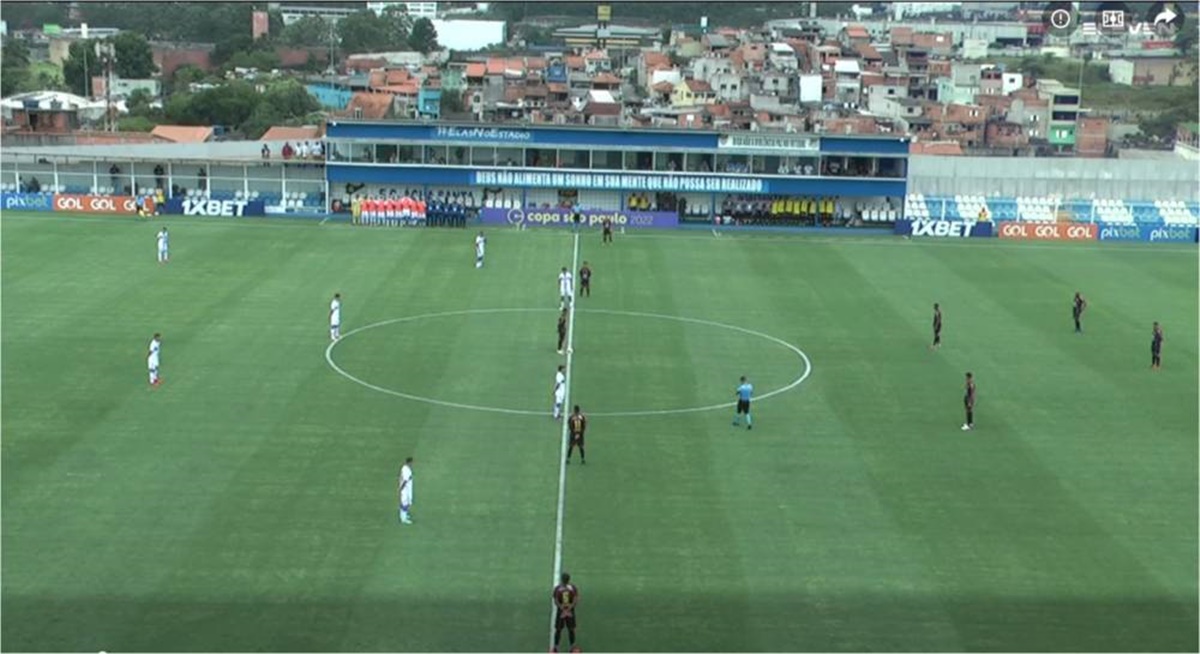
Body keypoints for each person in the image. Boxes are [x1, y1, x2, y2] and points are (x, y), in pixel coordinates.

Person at [552, 572, 579, 653]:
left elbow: (556, 600)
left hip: (560, 612)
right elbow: (575, 599)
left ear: (562, 579)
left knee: (558, 630)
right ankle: (572, 647)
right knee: (571, 629)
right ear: (569, 579)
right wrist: (569, 609)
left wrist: (563, 610)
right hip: (570, 612)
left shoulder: (557, 588)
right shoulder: (573, 588)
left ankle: (556, 647)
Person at [398, 457, 415, 525]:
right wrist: (401, 488)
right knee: (405, 503)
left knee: (406, 503)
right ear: (409, 462)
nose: (412, 464)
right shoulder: (406, 470)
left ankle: (403, 515)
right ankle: (403, 519)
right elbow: (405, 481)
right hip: (405, 489)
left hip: (406, 488)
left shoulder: (404, 468)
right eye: (412, 462)